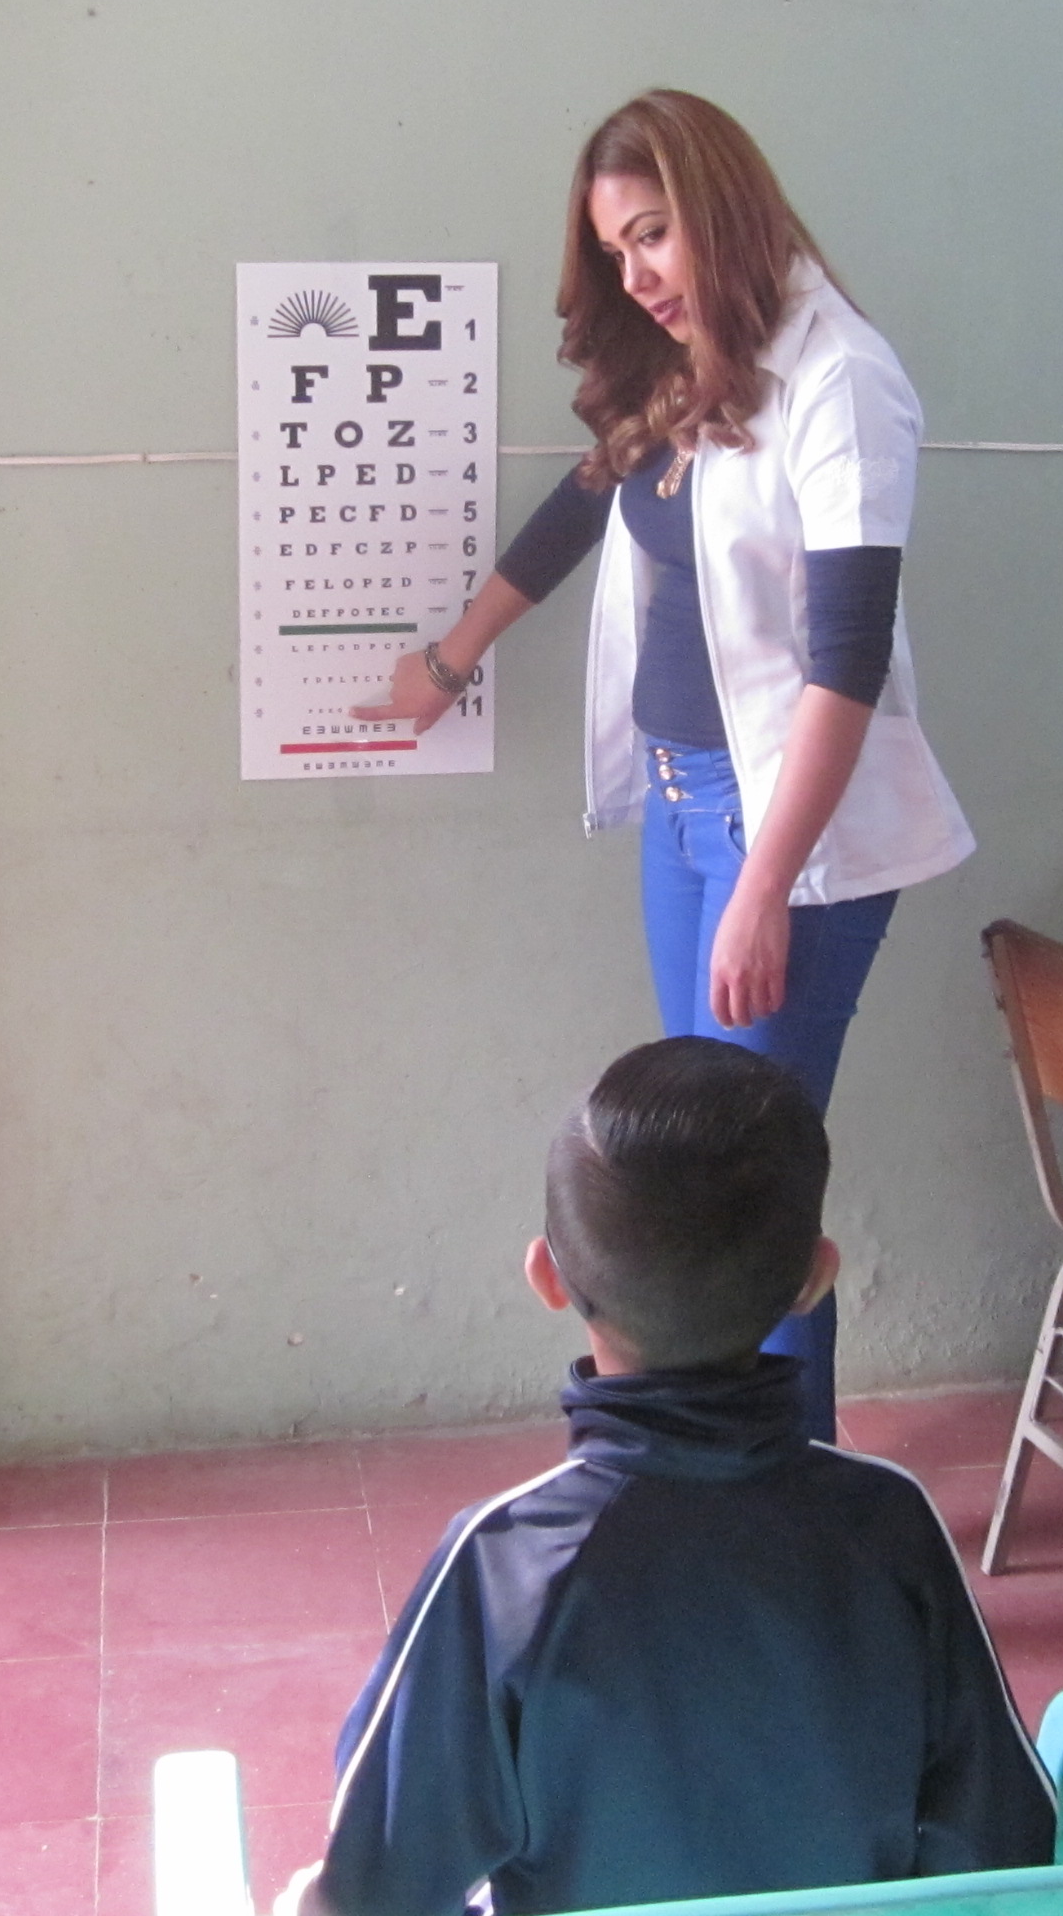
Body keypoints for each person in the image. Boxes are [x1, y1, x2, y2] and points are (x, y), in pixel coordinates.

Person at [356, 89, 974, 1443]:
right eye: (615, 250)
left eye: (653, 235)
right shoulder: (692, 363)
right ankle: (732, 1484)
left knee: (741, 1195)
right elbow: (585, 505)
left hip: (784, 835)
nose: (636, 275)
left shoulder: (841, 379)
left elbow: (848, 658)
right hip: (686, 811)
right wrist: (452, 657)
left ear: (723, 209)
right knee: (707, 1178)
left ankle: (785, 1496)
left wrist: (767, 883)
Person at [290, 1039, 1055, 1916]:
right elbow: (1002, 1841)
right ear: (816, 1279)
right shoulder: (890, 1522)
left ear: (548, 1277)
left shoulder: (504, 1564)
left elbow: (374, 1890)